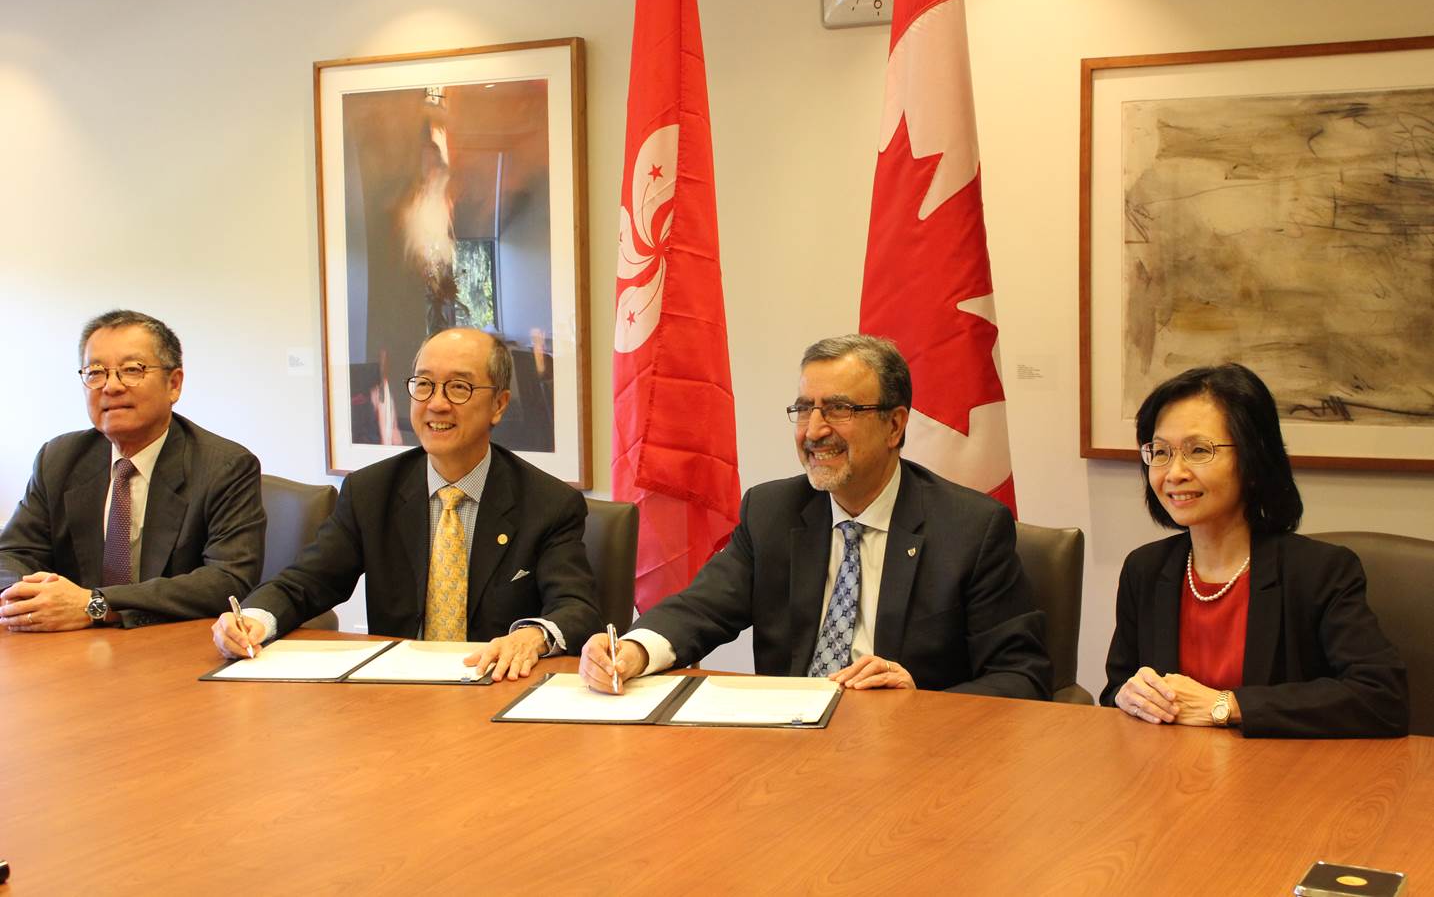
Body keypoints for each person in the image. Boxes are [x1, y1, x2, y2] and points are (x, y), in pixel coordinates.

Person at [578, 334, 1052, 698]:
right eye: (805, 410)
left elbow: (1022, 675)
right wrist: (633, 650)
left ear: (894, 425)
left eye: (839, 409)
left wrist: (919, 699)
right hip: (788, 749)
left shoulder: (970, 529)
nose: (814, 431)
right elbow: (701, 608)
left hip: (911, 756)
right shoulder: (772, 511)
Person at [211, 328, 600, 681]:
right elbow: (307, 582)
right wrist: (254, 619)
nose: (437, 404)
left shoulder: (548, 503)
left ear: (499, 405)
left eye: (459, 388)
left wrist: (532, 637)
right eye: (424, 385)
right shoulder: (371, 491)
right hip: (397, 691)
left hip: (494, 686)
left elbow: (576, 607)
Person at [1103, 363, 1408, 738]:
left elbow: (1382, 697)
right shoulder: (1145, 569)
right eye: (1161, 452)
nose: (1174, 472)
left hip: (1281, 770)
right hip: (1170, 769)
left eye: (1198, 450)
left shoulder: (1320, 572)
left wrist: (1226, 706)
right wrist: (1129, 696)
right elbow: (1116, 689)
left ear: (1252, 459)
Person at [0, 310, 265, 630]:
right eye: (96, 372)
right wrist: (26, 597)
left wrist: (96, 604)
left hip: (168, 642)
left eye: (131, 370)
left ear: (174, 384)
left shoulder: (224, 466)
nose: (111, 386)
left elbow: (227, 581)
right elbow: (12, 554)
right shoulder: (58, 459)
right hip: (70, 643)